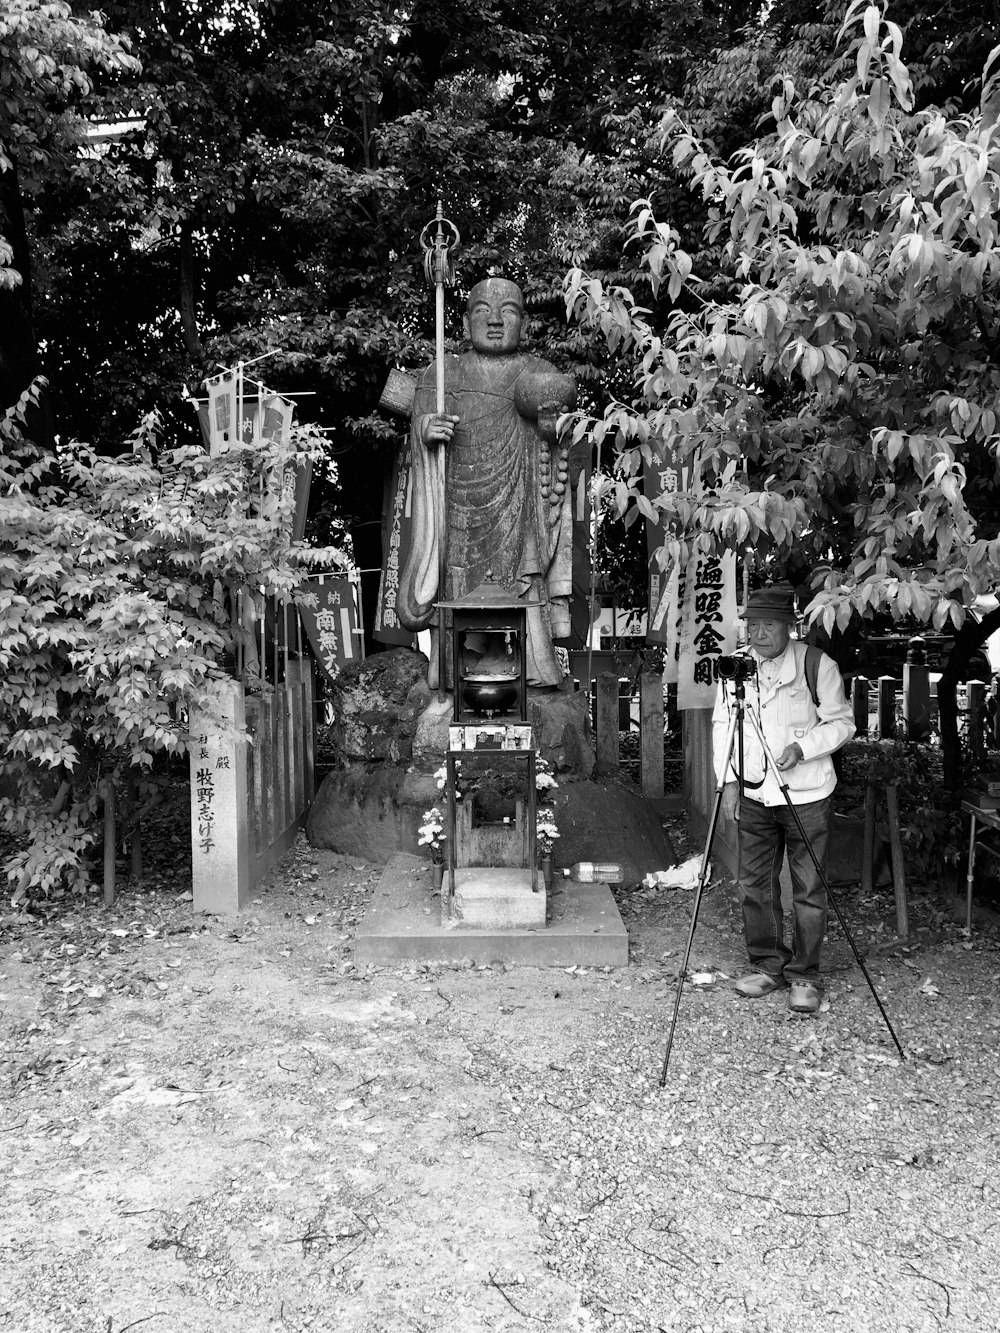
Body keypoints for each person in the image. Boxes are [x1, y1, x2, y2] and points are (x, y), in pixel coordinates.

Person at [396, 277, 576, 687]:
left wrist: (551, 426)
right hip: (459, 504)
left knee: (522, 582)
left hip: (520, 503)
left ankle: (531, 669)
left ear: (524, 324)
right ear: (464, 321)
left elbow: (559, 440)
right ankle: (453, 674)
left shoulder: (539, 374)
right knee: (455, 582)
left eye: (508, 311)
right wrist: (426, 429)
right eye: (482, 311)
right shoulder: (444, 373)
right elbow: (419, 430)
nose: (495, 320)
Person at [711, 585, 855, 1014]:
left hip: (807, 794)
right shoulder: (737, 667)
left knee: (808, 887)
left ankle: (805, 974)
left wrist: (803, 748)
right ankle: (768, 964)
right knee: (754, 883)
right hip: (756, 790)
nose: (757, 634)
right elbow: (723, 725)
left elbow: (842, 723)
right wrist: (730, 784)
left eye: (767, 625)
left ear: (788, 627)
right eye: (751, 625)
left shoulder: (817, 665)